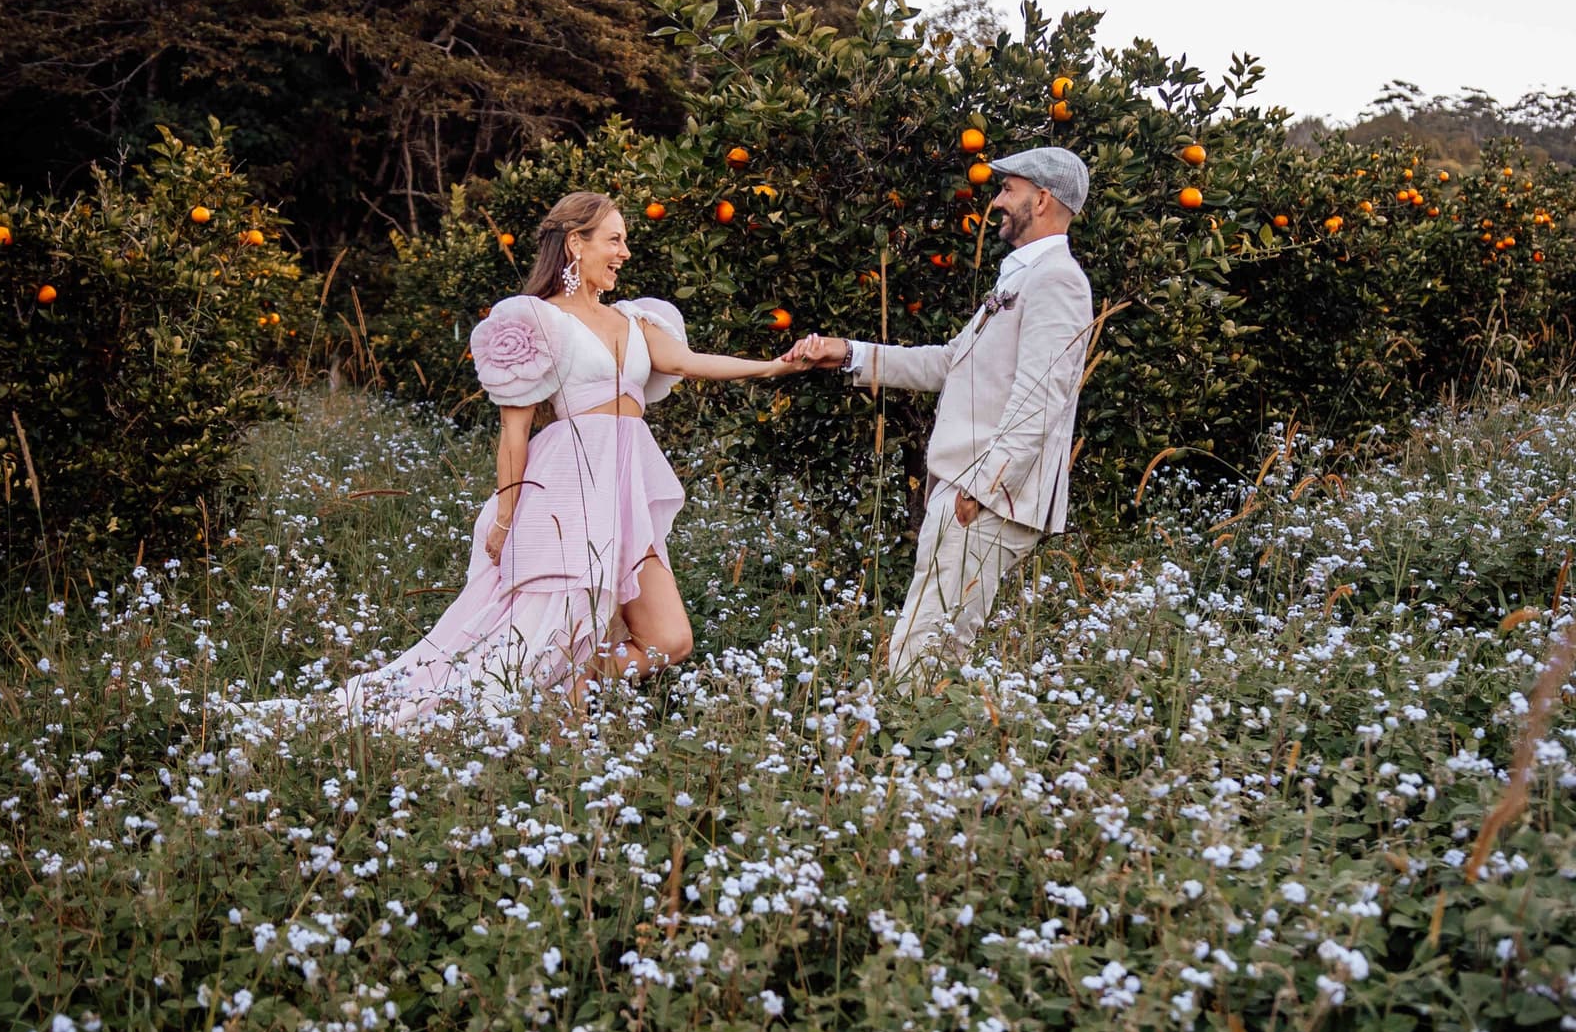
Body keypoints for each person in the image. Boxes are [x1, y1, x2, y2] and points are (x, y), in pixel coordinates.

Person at [335, 191, 804, 724]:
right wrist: (507, 516)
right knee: (550, 636)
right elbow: (514, 435)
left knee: (670, 638)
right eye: (614, 240)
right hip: (568, 486)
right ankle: (512, 719)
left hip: (623, 486)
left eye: (625, 240)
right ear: (576, 244)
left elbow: (693, 362)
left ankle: (572, 691)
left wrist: (775, 368)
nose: (625, 252)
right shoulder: (534, 318)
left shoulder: (635, 320)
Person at [786, 147, 1095, 682]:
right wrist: (849, 353)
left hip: (984, 498)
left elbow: (1039, 399)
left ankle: (907, 755)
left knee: (925, 651)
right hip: (968, 491)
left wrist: (980, 488)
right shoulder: (1019, 279)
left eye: (1009, 190)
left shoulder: (1056, 281)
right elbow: (951, 363)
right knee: (926, 642)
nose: (997, 201)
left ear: (1042, 199)